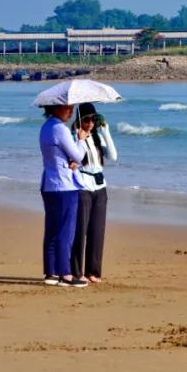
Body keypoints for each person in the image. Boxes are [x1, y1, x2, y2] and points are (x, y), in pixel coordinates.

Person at [38, 103, 88, 288]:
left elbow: (62, 156)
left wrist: (74, 160)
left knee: (52, 229)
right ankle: (65, 274)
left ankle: (51, 272)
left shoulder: (46, 127)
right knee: (65, 231)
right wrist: (81, 139)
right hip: (63, 186)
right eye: (67, 108)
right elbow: (78, 155)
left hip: (49, 184)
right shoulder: (60, 128)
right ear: (55, 108)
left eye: (71, 108)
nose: (71, 111)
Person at [70, 102, 118, 283]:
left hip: (100, 187)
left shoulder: (97, 137)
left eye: (93, 120)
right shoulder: (74, 137)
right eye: (87, 119)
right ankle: (75, 271)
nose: (90, 123)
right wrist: (80, 139)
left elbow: (113, 156)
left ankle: (93, 271)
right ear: (80, 119)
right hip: (82, 186)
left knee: (97, 231)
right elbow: (73, 158)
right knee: (80, 231)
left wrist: (105, 130)